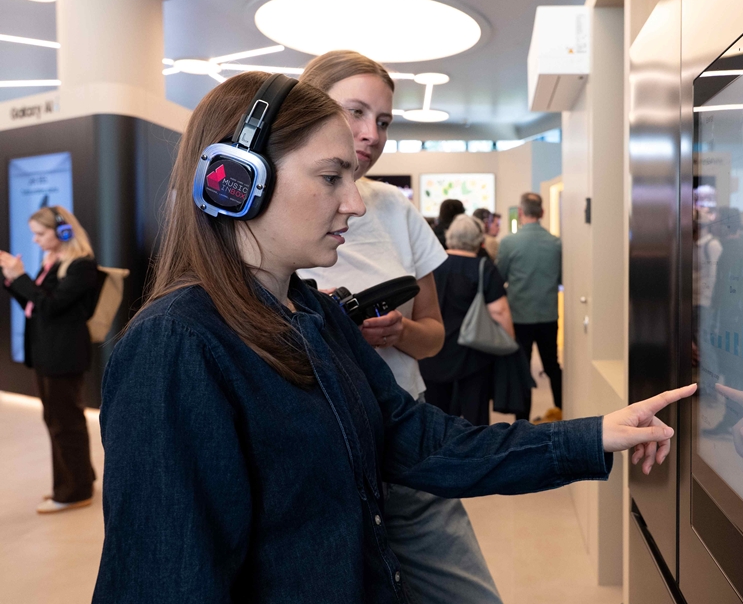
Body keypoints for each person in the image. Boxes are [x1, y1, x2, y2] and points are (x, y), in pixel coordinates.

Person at [92, 71, 696, 602]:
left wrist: (592, 436)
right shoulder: (175, 347)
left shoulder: (315, 315)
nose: (354, 203)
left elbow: (422, 441)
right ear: (236, 181)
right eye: (331, 177)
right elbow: (164, 581)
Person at [296, 50, 498, 604]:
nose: (370, 134)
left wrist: (398, 331)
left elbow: (434, 334)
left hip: (406, 434)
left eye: (383, 121)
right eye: (355, 113)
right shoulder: (277, 215)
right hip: (322, 451)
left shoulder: (394, 209)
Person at [0, 206, 101, 513]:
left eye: (40, 233)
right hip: (48, 352)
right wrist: (13, 280)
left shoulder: (81, 265)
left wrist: (21, 278)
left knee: (64, 423)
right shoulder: (53, 262)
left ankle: (73, 492)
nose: (35, 240)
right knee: (58, 420)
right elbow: (34, 306)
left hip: (63, 354)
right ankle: (75, 482)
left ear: (63, 232)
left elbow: (51, 307)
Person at [420, 215, 513, 425]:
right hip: (472, 354)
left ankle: (440, 454)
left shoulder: (430, 263)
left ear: (449, 237)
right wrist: (509, 342)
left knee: (435, 415)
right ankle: (475, 455)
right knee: (475, 416)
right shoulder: (483, 268)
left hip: (432, 350)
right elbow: (500, 311)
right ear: (479, 240)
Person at [496, 192, 564, 423]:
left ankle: (522, 423)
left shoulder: (508, 243)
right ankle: (562, 413)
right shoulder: (556, 244)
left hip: (519, 316)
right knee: (552, 366)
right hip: (548, 315)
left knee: (521, 371)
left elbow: (500, 277)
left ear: (521, 212)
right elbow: (562, 278)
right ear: (542, 212)